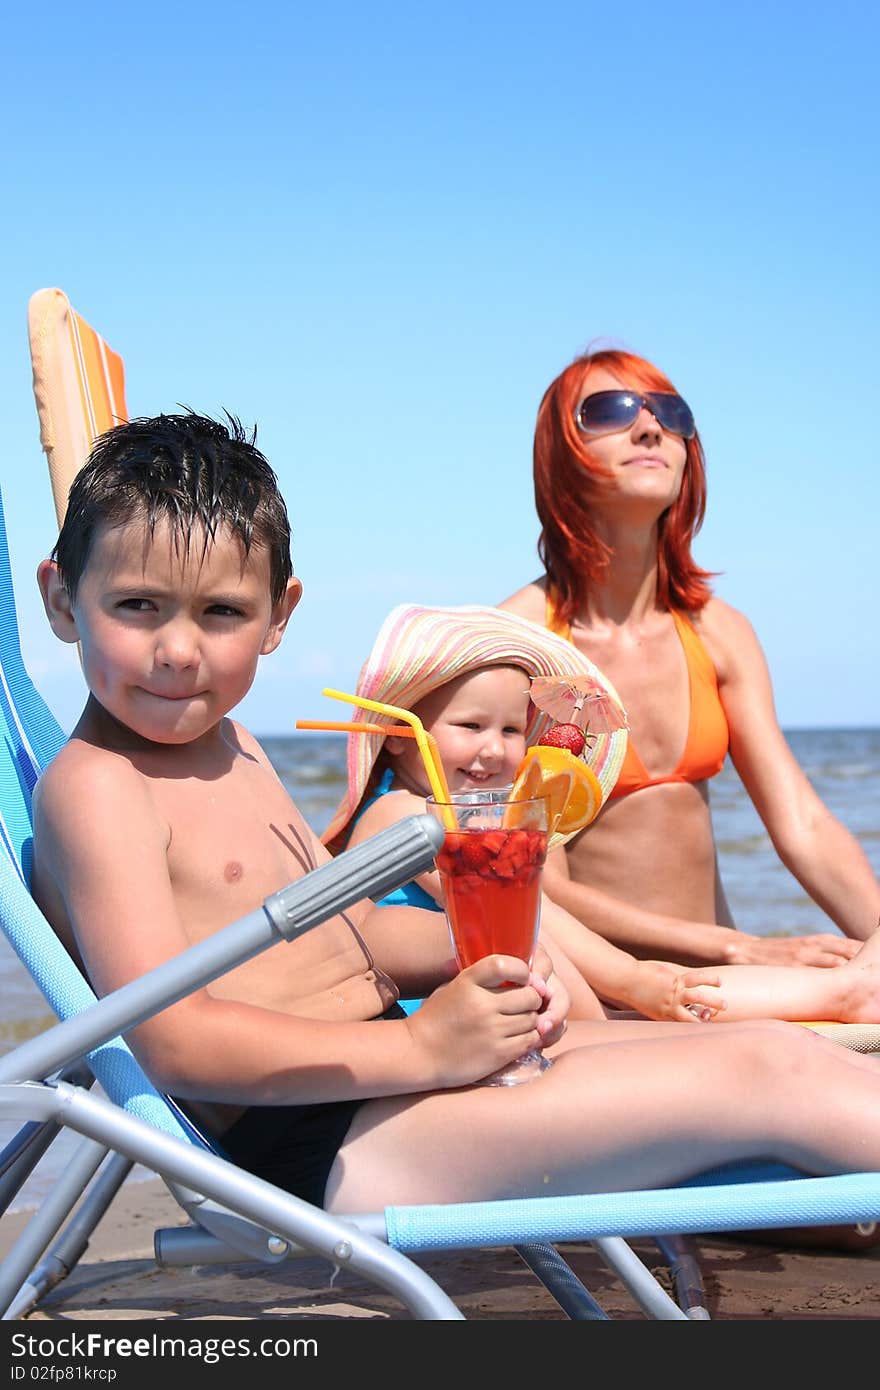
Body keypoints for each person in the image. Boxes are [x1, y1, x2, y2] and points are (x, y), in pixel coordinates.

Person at [30, 410, 880, 1219]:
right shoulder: (98, 787)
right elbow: (170, 1041)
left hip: (382, 1080)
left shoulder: (235, 745)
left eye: (221, 612)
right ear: (64, 601)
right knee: (762, 1072)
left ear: (279, 617)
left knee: (785, 1046)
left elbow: (348, 935)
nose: (179, 651)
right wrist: (425, 1051)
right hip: (322, 1138)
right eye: (137, 605)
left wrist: (480, 952)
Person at [499, 346, 880, 969]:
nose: (650, 426)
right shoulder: (519, 644)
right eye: (611, 410)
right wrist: (742, 947)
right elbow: (540, 884)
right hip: (605, 996)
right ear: (560, 451)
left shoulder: (719, 632)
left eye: (671, 413)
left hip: (728, 981)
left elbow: (803, 826)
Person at [327, 600, 880, 1028]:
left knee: (664, 995)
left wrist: (633, 983)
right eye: (470, 728)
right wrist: (631, 979)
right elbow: (537, 913)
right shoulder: (399, 816)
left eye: (512, 730)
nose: (494, 750)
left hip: (509, 1008)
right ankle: (847, 992)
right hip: (443, 1023)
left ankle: (847, 990)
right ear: (399, 738)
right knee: (658, 999)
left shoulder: (470, 819)